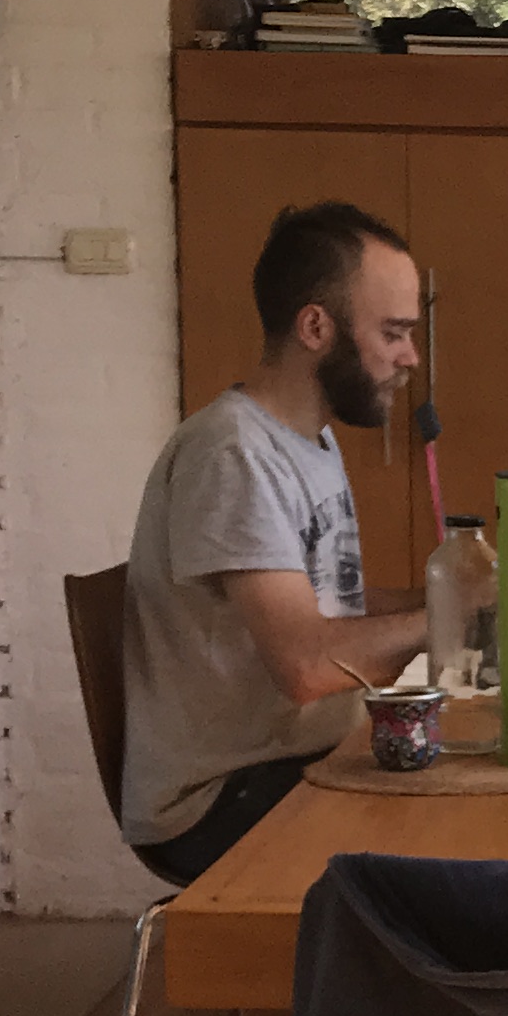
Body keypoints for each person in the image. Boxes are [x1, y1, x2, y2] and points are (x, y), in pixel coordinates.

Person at [120, 200, 429, 887]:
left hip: (294, 759)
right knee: (453, 846)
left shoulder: (307, 441)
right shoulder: (233, 452)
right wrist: (446, 617)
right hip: (221, 797)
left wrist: (448, 592)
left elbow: (328, 605)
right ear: (316, 327)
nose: (410, 356)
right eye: (393, 332)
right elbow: (306, 667)